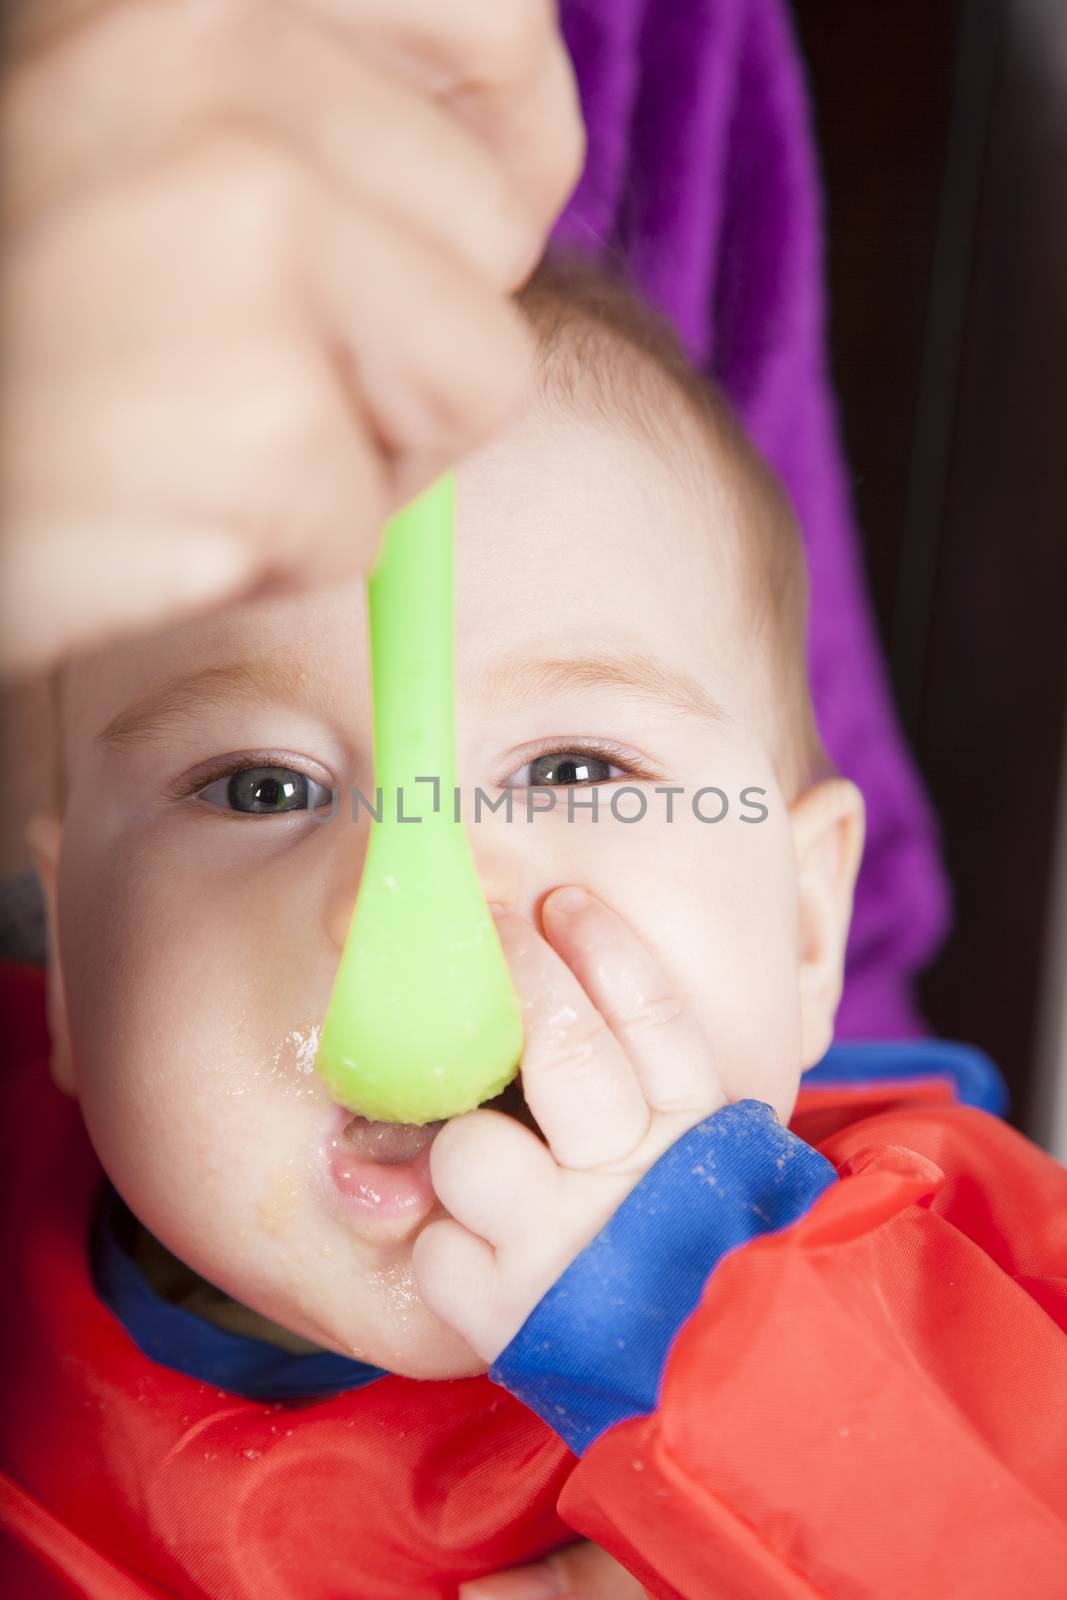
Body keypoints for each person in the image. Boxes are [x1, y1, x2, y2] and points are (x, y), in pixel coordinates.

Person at [2, 256, 1064, 1599]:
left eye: (572, 770)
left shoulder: (970, 1276)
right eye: (260, 787)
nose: (410, 885)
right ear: (68, 986)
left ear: (806, 928)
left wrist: (715, 1327)